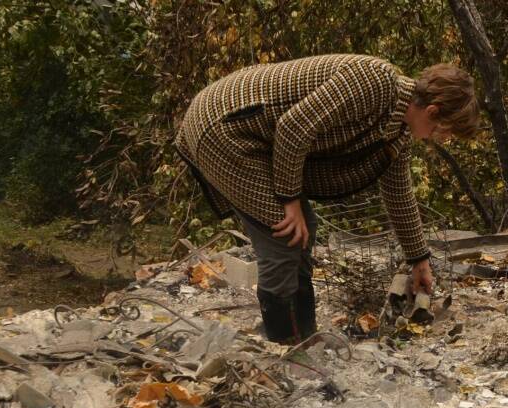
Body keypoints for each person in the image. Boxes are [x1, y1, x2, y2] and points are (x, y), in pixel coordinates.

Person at [175, 54, 479, 343]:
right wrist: (290, 200)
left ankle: (304, 337)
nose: (440, 139)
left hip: (253, 136)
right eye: (443, 132)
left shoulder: (397, 130)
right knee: (284, 233)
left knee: (304, 230)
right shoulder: (376, 82)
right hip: (223, 127)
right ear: (432, 111)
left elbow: (399, 194)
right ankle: (285, 346)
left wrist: (419, 260)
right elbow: (293, 128)